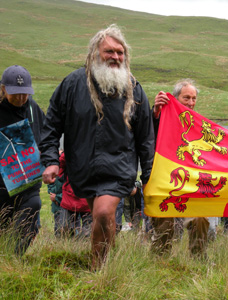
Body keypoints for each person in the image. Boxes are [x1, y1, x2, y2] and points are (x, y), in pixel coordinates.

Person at [39, 24, 155, 269]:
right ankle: (109, 265)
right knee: (104, 219)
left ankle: (96, 268)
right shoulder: (72, 84)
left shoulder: (134, 89)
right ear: (95, 53)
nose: (115, 57)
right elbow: (51, 125)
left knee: (103, 213)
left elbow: (146, 138)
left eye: (120, 52)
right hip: (84, 169)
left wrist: (149, 175)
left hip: (119, 167)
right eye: (109, 51)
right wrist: (50, 160)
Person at [150, 79, 216, 258]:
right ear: (175, 98)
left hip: (192, 183)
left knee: (200, 220)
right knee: (165, 225)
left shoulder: (199, 124)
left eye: (194, 98)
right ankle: (158, 263)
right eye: (186, 98)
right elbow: (147, 135)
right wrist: (155, 111)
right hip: (165, 182)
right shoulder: (160, 118)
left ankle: (198, 262)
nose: (191, 102)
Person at [0, 65, 45, 255]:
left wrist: (46, 155)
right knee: (4, 227)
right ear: (3, 89)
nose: (20, 98)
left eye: (24, 93)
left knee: (33, 210)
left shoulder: (34, 109)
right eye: (14, 93)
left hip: (28, 182)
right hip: (1, 186)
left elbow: (46, 136)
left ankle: (14, 258)